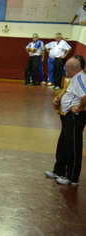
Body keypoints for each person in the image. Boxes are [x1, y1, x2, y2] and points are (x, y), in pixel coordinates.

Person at [45, 56, 86, 186]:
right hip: (68, 116)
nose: (65, 70)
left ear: (70, 68)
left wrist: (80, 107)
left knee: (72, 146)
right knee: (63, 144)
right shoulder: (74, 79)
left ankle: (72, 178)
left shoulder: (80, 79)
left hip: (75, 116)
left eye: (66, 67)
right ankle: (59, 171)